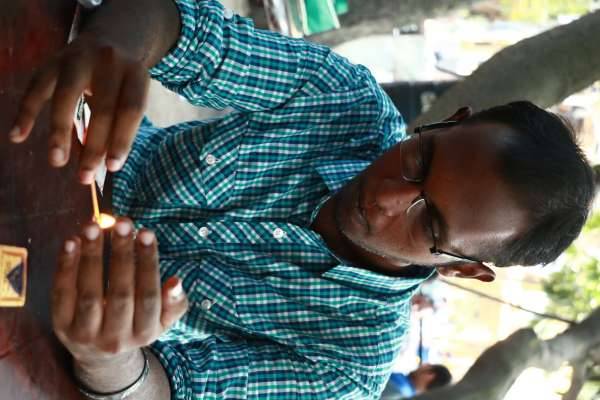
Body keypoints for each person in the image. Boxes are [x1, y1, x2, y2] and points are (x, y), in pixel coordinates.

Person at [10, 0, 595, 399]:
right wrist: (115, 46)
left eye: (430, 225)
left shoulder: (353, 364)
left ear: (463, 267)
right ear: (448, 122)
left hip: (40, 324)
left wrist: (109, 359)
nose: (387, 199)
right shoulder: (345, 100)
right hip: (50, 153)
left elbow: (170, 390)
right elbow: (182, 29)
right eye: (420, 160)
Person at [380, 364, 452, 399]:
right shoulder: (407, 395)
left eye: (429, 365)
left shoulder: (398, 386)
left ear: (430, 376)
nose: (424, 365)